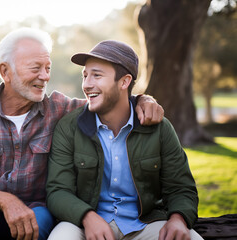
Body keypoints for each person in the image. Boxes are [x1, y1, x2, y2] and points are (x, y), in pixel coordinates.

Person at [0, 28, 164, 240]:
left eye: (48, 68)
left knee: (39, 220)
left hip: (37, 212)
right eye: (35, 68)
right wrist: (5, 201)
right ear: (5, 71)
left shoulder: (59, 109)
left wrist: (143, 100)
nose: (45, 76)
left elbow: (110, 100)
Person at [46, 40, 203, 240]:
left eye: (97, 75)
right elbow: (58, 191)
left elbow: (181, 187)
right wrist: (87, 216)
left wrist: (179, 218)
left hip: (145, 223)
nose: (87, 84)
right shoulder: (69, 127)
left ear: (124, 82)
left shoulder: (160, 128)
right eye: (85, 76)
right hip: (85, 223)